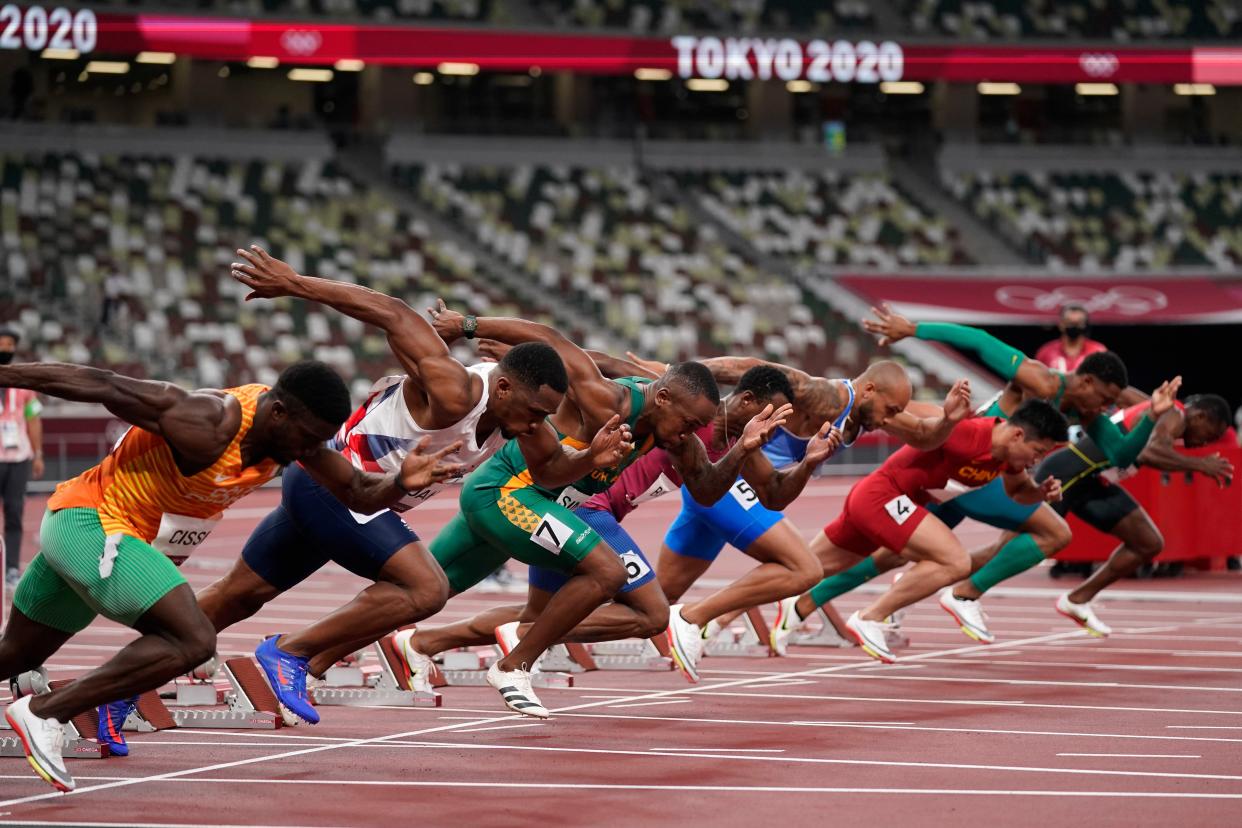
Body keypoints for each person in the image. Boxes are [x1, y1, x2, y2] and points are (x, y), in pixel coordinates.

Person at [149, 247, 630, 733]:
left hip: (346, 496)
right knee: (426, 587)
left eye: (547, 414)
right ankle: (289, 654)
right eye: (534, 411)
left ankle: (127, 684)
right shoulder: (453, 391)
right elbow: (393, 313)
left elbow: (548, 472)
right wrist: (296, 284)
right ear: (503, 388)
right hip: (335, 483)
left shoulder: (521, 420)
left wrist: (592, 458)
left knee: (241, 594)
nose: (539, 423)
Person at [0, 359, 463, 792]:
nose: (310, 451)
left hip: (100, 532)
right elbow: (102, 384)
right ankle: (44, 712)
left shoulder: (291, 438)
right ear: (278, 412)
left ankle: (43, 700)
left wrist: (400, 483)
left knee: (13, 656)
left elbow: (357, 491)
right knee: (192, 640)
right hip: (95, 525)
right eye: (306, 440)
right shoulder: (207, 420)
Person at [423, 303, 784, 716]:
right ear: (663, 398)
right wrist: (468, 325)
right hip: (508, 492)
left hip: (547, 505)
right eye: (687, 424)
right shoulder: (605, 398)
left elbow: (704, 489)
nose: (690, 435)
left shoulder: (677, 435)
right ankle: (514, 664)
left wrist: (742, 449)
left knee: (424, 591)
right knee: (606, 572)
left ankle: (362, 649)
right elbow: (554, 340)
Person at [393, 365, 814, 687]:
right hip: (589, 509)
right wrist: (500, 349)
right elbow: (606, 370)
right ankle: (523, 642)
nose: (773, 430)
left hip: (576, 506)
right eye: (771, 417)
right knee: (649, 610)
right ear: (744, 402)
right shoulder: (690, 418)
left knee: (540, 612)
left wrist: (802, 459)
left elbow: (760, 492)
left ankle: (423, 643)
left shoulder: (729, 434)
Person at [624, 352, 970, 677]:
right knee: (803, 568)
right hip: (731, 483)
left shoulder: (872, 414)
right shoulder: (825, 396)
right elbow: (747, 367)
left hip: (742, 489)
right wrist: (675, 373)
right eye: (889, 408)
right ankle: (693, 620)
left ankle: (577, 630)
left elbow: (925, 437)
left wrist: (949, 420)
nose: (888, 419)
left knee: (657, 599)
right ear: (868, 389)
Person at [832, 306, 1164, 645]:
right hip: (973, 457)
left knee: (898, 552)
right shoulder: (1040, 379)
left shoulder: (1089, 413)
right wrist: (915, 330)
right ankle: (964, 595)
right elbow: (978, 339)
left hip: (986, 472)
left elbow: (1120, 454)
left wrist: (1152, 416)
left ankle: (804, 600)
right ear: (1088, 382)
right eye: (1104, 400)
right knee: (1052, 533)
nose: (1103, 409)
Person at [819, 400, 1069, 663]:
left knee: (804, 570)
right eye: (1038, 451)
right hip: (883, 495)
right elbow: (893, 414)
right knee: (954, 561)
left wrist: (1040, 493)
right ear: (1017, 435)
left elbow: (1018, 492)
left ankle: (792, 602)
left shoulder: (1006, 457)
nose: (1037, 460)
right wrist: (847, 401)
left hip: (891, 500)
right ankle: (870, 617)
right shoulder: (966, 433)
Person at [1033, 391, 1232, 635]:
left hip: (1092, 483)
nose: (1206, 443)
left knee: (1147, 543)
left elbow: (1127, 400)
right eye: (1210, 435)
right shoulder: (1174, 414)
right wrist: (1201, 464)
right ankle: (972, 589)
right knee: (1029, 544)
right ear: (1200, 417)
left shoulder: (1163, 412)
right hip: (1066, 476)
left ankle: (1076, 600)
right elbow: (1149, 453)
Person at [0, 328, 43, 588]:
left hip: (18, 458)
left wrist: (38, 454)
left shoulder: (23, 381)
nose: (4, 348)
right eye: (0, 343)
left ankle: (12, 569)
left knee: (15, 512)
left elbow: (33, 419)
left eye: (9, 344)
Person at [1035, 304, 1107, 373]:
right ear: (1061, 324)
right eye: (1070, 322)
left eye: (1078, 323)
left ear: (1085, 325)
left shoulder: (1098, 352)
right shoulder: (1045, 352)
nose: (1074, 326)